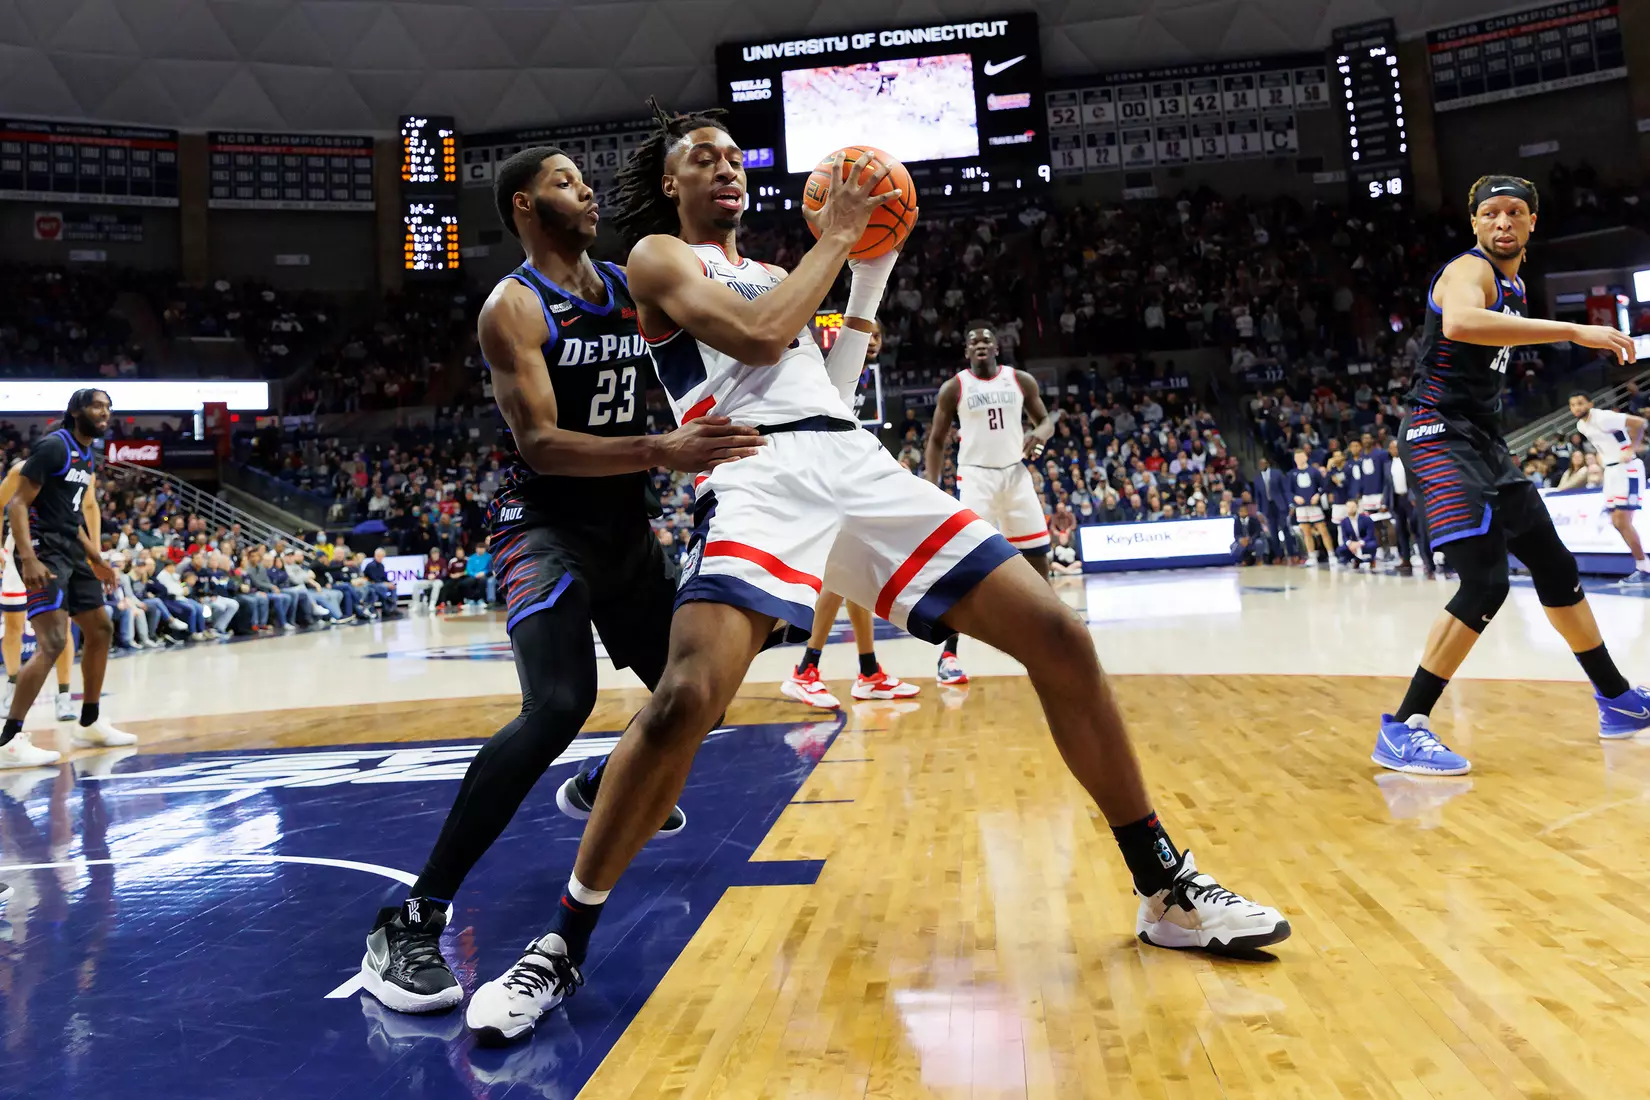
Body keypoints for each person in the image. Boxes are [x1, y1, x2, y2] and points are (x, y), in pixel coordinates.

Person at [461, 102, 1288, 1045]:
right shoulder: (659, 258)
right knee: (688, 695)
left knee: (1061, 637)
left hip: (852, 463)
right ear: (670, 185)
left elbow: (827, 380)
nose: (728, 169)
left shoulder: (776, 269)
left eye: (736, 158)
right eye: (705, 159)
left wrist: (871, 275)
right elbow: (763, 341)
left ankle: (1164, 888)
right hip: (758, 472)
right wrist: (846, 242)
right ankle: (561, 946)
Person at [357, 143, 763, 1017]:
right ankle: (412, 917)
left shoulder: (627, 283)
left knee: (703, 695)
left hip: (622, 526)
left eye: (584, 180)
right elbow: (539, 443)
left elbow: (736, 331)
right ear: (525, 210)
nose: (585, 192)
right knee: (557, 703)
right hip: (539, 522)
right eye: (565, 182)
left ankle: (600, 787)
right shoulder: (513, 307)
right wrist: (664, 449)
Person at [1379, 175, 1648, 776]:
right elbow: (1461, 325)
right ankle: (1404, 726)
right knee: (1486, 582)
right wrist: (1573, 329)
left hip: (1483, 441)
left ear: (1532, 224)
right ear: (1475, 224)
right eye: (1490, 213)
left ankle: (1617, 698)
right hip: (1436, 434)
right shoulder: (1467, 271)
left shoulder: (1515, 283)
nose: (1503, 222)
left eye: (1515, 213)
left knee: (1556, 567)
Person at [782, 320, 919, 709]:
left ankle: (868, 672)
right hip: (821, 479)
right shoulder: (827, 373)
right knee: (840, 577)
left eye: (878, 335)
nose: (872, 341)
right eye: (866, 334)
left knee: (853, 574)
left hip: (849, 478)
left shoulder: (868, 381)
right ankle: (805, 671)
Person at [0, 389, 133, 769]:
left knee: (101, 628)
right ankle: (8, 741)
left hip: (72, 551)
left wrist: (97, 559)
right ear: (76, 412)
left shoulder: (86, 454)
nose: (104, 413)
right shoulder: (54, 447)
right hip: (43, 551)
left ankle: (89, 722)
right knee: (53, 641)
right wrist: (26, 558)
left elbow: (72, 517)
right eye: (96, 406)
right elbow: (17, 504)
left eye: (108, 406)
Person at [922, 321, 1061, 685]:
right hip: (976, 477)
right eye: (973, 342)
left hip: (1014, 474)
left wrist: (1039, 433)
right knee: (964, 564)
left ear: (997, 347)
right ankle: (948, 655)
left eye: (986, 340)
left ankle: (1048, 633)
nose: (980, 344)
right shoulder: (955, 387)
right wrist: (931, 486)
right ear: (967, 352)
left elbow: (1046, 420)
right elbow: (936, 440)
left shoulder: (1021, 381)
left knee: (1038, 556)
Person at [0, 459, 79, 723]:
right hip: (21, 550)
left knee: (63, 626)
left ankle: (64, 695)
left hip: (57, 549)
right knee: (13, 626)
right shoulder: (19, 471)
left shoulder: (73, 473)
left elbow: (84, 509)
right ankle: (11, 686)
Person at [1568, 391, 1649, 583]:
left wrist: (1631, 448)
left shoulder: (1603, 417)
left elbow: (1639, 423)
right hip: (1612, 471)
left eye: (1580, 403)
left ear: (1590, 403)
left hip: (1627, 469)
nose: (1576, 408)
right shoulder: (1581, 425)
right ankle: (1642, 564)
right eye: (1572, 405)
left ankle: (1643, 567)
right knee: (1617, 522)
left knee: (1622, 520)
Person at [1288, 450, 1331, 565]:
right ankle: (1312, 556)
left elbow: (1324, 485)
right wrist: (1295, 497)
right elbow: (1289, 491)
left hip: (1314, 506)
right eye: (1296, 457)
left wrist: (1318, 494)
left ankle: (1331, 554)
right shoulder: (1292, 474)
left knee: (1323, 530)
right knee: (1306, 532)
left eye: (1300, 456)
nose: (1298, 459)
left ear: (1306, 457)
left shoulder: (1314, 471)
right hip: (1301, 507)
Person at [1335, 498, 1376, 569]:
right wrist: (1350, 543)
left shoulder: (1366, 519)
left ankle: (1370, 559)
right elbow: (1344, 537)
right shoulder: (1344, 521)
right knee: (1339, 550)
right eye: (1348, 507)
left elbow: (1370, 535)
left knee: (1372, 545)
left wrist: (1359, 543)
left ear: (1357, 507)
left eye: (1353, 507)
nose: (1350, 509)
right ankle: (1352, 560)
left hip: (1364, 543)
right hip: (1352, 543)